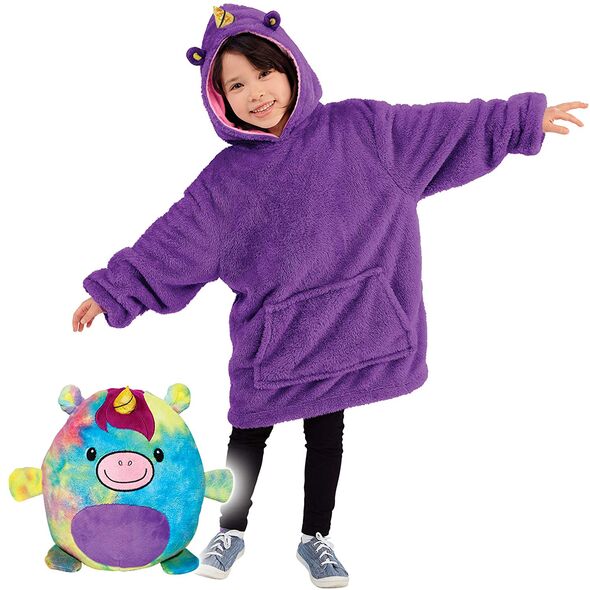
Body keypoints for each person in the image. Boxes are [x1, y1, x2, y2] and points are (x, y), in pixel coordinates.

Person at [72, 4, 586, 588]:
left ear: (291, 66)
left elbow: (447, 126)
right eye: (236, 85)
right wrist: (116, 290)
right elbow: (173, 242)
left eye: (264, 73)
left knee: (325, 437)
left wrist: (521, 119)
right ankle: (231, 528)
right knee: (249, 435)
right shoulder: (223, 183)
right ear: (218, 100)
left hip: (349, 329)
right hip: (272, 343)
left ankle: (315, 538)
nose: (256, 93)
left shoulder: (364, 131)